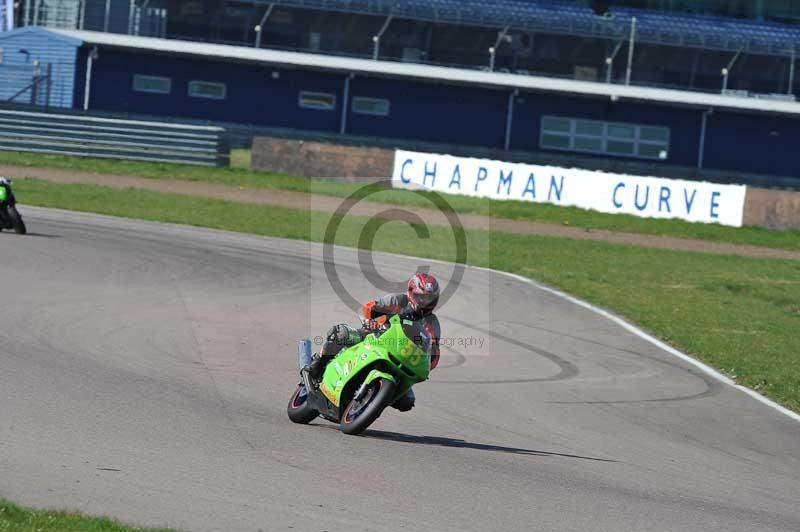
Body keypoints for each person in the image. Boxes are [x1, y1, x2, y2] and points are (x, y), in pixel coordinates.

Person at [307, 272, 442, 412]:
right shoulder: (397, 301)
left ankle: (370, 403)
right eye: (422, 297)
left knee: (407, 401)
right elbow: (368, 308)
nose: (425, 302)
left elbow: (434, 351)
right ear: (411, 292)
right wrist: (369, 321)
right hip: (374, 338)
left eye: (429, 299)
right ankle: (318, 364)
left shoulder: (432, 323)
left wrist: (427, 361)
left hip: (402, 359)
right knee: (340, 334)